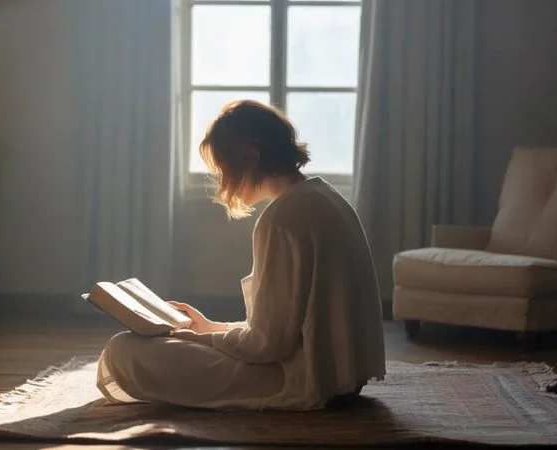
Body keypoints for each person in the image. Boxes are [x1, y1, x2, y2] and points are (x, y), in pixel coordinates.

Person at [96, 100, 386, 411]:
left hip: (304, 381)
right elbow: (282, 330)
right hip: (343, 379)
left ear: (250, 156)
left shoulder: (282, 218)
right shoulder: (325, 196)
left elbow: (268, 345)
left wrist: (199, 340)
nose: (222, 181)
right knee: (154, 347)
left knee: (123, 351)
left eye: (223, 168)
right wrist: (210, 327)